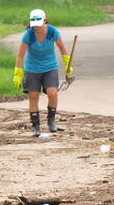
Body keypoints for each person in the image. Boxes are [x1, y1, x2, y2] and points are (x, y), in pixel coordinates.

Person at [12, 8, 71, 137]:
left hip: (50, 67)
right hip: (32, 69)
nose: (37, 28)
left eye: (39, 25)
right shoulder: (28, 34)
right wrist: (18, 72)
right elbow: (20, 55)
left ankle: (51, 121)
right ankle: (36, 126)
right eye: (34, 25)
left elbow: (62, 48)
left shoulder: (52, 32)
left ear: (45, 21)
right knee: (33, 96)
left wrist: (67, 62)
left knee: (52, 92)